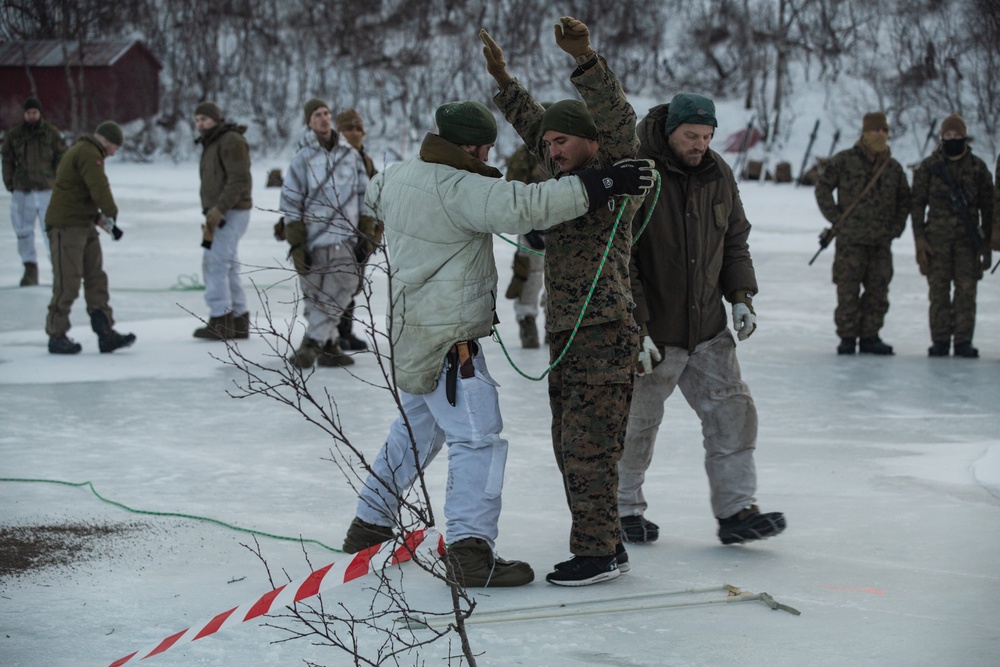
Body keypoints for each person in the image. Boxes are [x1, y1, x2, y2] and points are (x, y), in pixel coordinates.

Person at [340, 100, 654, 589]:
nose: (489, 154)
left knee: (416, 429)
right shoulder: (462, 187)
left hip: (409, 330)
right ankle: (471, 552)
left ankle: (369, 526)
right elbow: (529, 205)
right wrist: (605, 183)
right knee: (477, 440)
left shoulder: (396, 176)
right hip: (450, 339)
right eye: (485, 147)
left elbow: (372, 198)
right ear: (471, 146)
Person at [482, 16, 647, 586]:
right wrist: (504, 83)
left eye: (562, 141)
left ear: (591, 142)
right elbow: (535, 124)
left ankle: (597, 553)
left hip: (603, 333)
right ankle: (610, 545)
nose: (552, 150)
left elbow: (618, 119)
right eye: (548, 144)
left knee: (588, 452)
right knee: (569, 446)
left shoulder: (612, 171)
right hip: (569, 335)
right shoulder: (562, 184)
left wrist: (585, 60)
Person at [618, 93, 786, 548]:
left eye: (707, 136)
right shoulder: (640, 172)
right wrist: (637, 328)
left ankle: (736, 511)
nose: (700, 144)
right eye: (691, 136)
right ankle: (623, 510)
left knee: (734, 414)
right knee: (637, 424)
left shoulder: (718, 173)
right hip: (656, 332)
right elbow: (622, 257)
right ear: (670, 131)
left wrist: (741, 296)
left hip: (709, 330)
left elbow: (734, 238)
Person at [279, 99, 370, 368]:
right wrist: (296, 243)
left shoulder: (349, 156)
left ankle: (312, 342)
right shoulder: (302, 159)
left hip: (345, 237)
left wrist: (366, 232)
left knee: (343, 287)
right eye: (317, 115)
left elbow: (365, 195)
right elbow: (291, 201)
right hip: (313, 237)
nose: (324, 118)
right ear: (309, 122)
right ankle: (330, 346)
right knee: (315, 294)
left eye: (327, 113)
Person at [815, 112, 911, 355]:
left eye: (884, 131)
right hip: (851, 241)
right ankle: (847, 337)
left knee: (878, 290)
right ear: (865, 132)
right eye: (875, 130)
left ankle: (870, 335)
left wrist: (896, 228)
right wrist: (836, 219)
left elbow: (904, 200)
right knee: (847, 289)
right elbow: (823, 187)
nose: (880, 135)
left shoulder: (893, 167)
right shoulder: (845, 160)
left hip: (880, 241)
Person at [44, 121, 135, 355]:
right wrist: (111, 215)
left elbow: (79, 192)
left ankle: (105, 332)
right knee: (68, 282)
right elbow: (99, 188)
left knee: (96, 277)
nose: (115, 152)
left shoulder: (86, 152)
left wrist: (98, 219)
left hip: (84, 223)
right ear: (107, 141)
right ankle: (57, 335)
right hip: (66, 226)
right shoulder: (88, 152)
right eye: (115, 147)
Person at [911, 113, 994, 358]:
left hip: (968, 243)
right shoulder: (929, 167)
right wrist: (920, 240)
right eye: (948, 135)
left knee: (966, 292)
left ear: (964, 137)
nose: (952, 139)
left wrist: (987, 244)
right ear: (941, 137)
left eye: (957, 135)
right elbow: (917, 204)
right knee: (938, 293)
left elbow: (988, 207)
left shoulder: (977, 167)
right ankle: (939, 341)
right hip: (936, 243)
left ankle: (963, 341)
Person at [192, 101, 252, 341]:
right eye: (197, 120)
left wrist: (220, 209)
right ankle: (238, 319)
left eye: (205, 119)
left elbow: (238, 179)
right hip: (219, 211)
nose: (200, 124)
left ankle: (220, 319)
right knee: (228, 265)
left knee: (215, 264)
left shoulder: (231, 141)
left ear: (216, 119)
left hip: (230, 212)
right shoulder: (212, 142)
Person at [2, 97, 66, 286]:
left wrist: (59, 181)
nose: (32, 116)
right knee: (23, 231)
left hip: (47, 189)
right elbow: (6, 159)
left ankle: (59, 270)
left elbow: (62, 157)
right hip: (23, 191)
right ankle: (30, 269)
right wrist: (10, 182)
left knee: (52, 231)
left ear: (40, 113)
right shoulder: (15, 135)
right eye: (28, 113)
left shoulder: (51, 133)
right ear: (24, 114)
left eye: (34, 113)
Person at [333, 108, 380, 352]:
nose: (354, 133)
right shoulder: (330, 157)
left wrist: (375, 234)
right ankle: (330, 335)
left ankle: (345, 332)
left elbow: (377, 197)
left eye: (357, 129)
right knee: (334, 284)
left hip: (363, 234)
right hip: (336, 233)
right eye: (348, 129)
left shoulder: (367, 160)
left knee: (352, 285)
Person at [503, 144, 549, 348]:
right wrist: (528, 228)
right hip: (532, 228)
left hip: (563, 230)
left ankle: (555, 325)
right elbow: (513, 195)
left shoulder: (570, 148)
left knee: (560, 279)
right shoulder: (524, 156)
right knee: (530, 276)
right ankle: (526, 322)